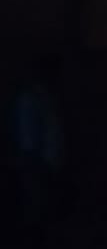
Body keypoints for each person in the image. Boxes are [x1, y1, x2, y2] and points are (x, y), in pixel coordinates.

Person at [14, 54, 66, 234]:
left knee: (40, 207)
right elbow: (30, 135)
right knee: (37, 206)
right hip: (38, 161)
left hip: (42, 161)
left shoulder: (41, 96)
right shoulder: (33, 97)